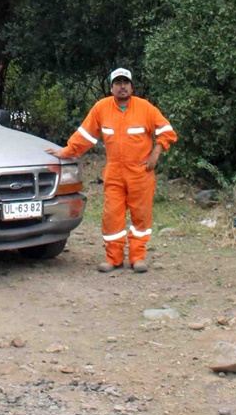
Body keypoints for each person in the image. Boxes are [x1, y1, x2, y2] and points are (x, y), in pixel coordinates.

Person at [46, 68, 177, 273]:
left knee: (141, 216)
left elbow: (166, 131)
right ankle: (113, 258)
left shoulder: (145, 108)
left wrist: (156, 152)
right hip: (114, 173)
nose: (122, 86)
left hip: (140, 173)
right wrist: (66, 151)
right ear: (112, 87)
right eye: (118, 83)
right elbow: (86, 135)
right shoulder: (101, 108)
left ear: (132, 86)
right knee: (112, 216)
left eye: (126, 82)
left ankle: (137, 257)